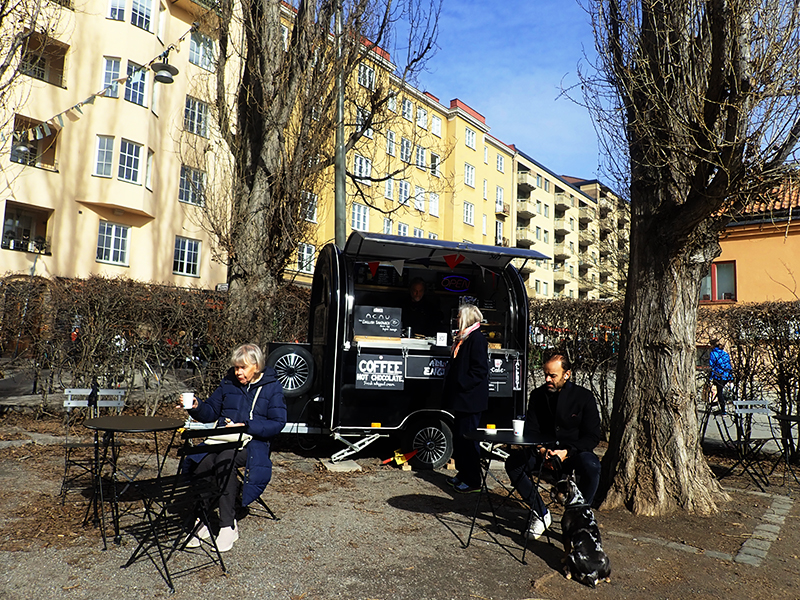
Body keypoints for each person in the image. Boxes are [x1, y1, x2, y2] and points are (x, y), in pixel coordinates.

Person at [182, 343, 287, 551]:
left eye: (243, 368)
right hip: (223, 439)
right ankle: (203, 519)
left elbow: (278, 422)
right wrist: (196, 406)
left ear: (256, 366)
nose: (238, 372)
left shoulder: (271, 387)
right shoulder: (228, 382)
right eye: (236, 367)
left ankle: (227, 525)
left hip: (254, 443)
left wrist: (247, 426)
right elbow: (211, 411)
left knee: (224, 461)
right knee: (203, 462)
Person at [504, 353, 601, 540]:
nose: (547, 379)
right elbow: (532, 430)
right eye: (546, 374)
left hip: (573, 452)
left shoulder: (584, 397)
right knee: (513, 463)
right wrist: (541, 449)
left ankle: (580, 515)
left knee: (592, 466)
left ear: (567, 374)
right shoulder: (537, 395)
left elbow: (592, 436)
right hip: (543, 451)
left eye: (553, 375)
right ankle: (540, 512)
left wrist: (567, 451)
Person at [443, 304, 489, 493]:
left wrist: (461, 383)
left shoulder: (476, 339)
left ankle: (473, 481)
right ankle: (463, 474)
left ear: (467, 318)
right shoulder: (465, 337)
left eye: (459, 316)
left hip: (470, 400)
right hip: (462, 399)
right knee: (460, 439)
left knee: (469, 440)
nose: (456, 319)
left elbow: (480, 370)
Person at [708, 339, 733, 413]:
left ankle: (723, 410)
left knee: (719, 392)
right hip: (726, 375)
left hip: (719, 375)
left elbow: (712, 366)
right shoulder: (725, 354)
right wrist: (730, 376)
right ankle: (720, 405)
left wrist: (710, 377)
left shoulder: (713, 354)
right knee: (721, 391)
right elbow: (728, 365)